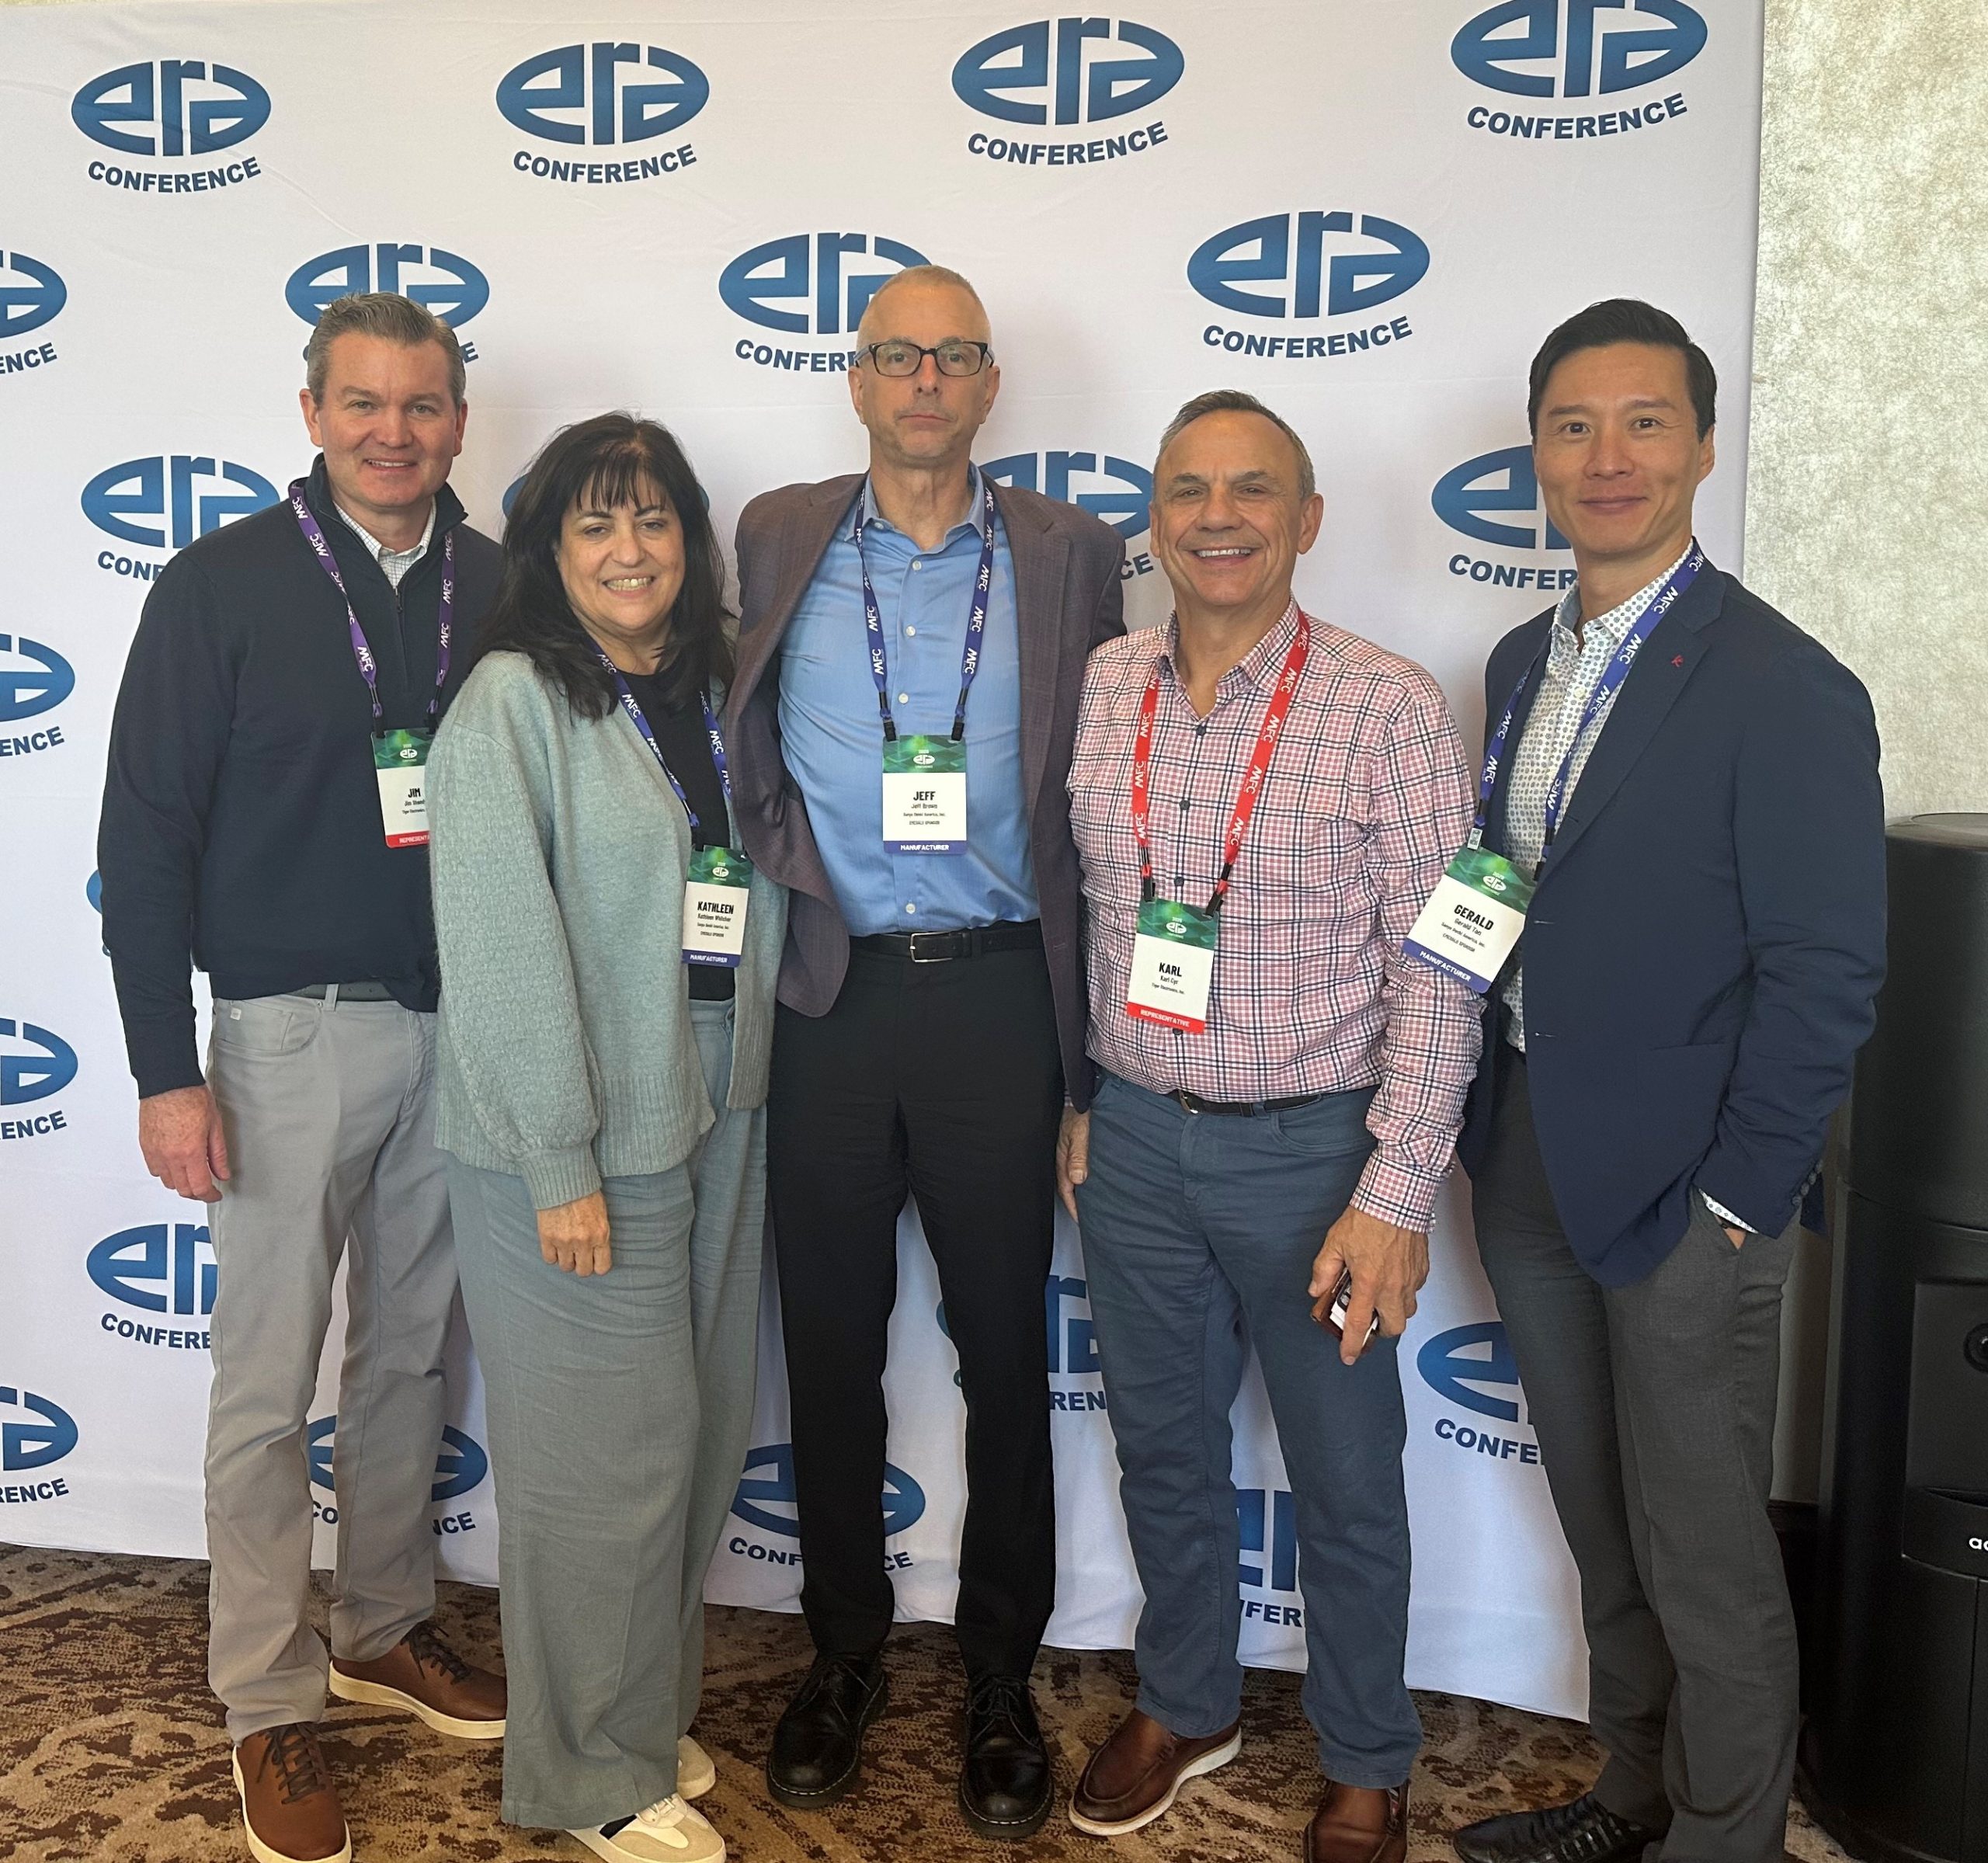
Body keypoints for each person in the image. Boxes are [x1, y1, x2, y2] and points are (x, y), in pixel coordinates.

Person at [1447, 301, 1885, 1863]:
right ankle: (1631, 1797)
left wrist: (1736, 1200)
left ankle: (1721, 1838)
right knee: (1604, 1523)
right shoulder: (1521, 660)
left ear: (1701, 447)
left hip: (1689, 1188)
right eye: (1572, 427)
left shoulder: (1781, 683)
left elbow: (1826, 974)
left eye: (1644, 423)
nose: (1607, 457)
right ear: (1536, 457)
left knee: (1701, 1550)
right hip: (1528, 1160)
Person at [98, 291, 506, 1863]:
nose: (393, 432)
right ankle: (269, 1698)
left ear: (458, 419)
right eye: (363, 403)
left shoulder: (500, 585)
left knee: (406, 1358)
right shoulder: (222, 584)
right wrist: (163, 1070)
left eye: (421, 404)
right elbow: (145, 841)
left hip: (461, 1028)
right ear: (312, 412)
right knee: (267, 1387)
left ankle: (383, 1626)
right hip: (284, 1035)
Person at [723, 263, 1124, 1840]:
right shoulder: (778, 533)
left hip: (999, 1001)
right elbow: (737, 733)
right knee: (827, 1346)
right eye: (897, 356)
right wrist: (785, 865)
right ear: (856, 376)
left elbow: (1104, 780)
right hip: (830, 993)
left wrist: (1089, 1064)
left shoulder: (1069, 551)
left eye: (954, 356)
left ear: (989, 383)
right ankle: (839, 1653)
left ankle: (1001, 1676)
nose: (925, 383)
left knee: (1004, 1352)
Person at [1058, 389, 1482, 1863]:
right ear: (1155, 522)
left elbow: (1448, 964)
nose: (1218, 517)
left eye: (1252, 491)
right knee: (1164, 1455)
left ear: (1306, 521)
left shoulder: (1386, 705)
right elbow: (1085, 913)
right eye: (1188, 490)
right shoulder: (1106, 683)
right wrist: (1083, 1096)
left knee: (1347, 1480)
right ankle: (1187, 1702)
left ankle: (1368, 1756)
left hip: (1318, 1159)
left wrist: (1399, 1190)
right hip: (1134, 1143)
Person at [428, 414, 786, 1863]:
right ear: (550, 550)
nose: (630, 550)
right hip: (573, 1133)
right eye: (596, 523)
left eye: (653, 520)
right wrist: (559, 1160)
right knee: (601, 1475)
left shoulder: (716, 683)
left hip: (721, 1101)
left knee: (689, 1445)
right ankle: (585, 1773)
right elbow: (501, 947)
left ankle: (636, 1719)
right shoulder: (511, 702)